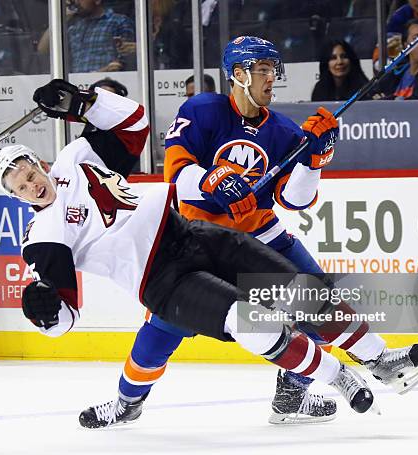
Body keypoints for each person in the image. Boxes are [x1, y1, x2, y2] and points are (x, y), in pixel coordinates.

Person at [0, 78, 418, 428]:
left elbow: (133, 122)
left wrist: (82, 103)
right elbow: (65, 316)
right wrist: (46, 314)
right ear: (16, 197)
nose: (31, 184)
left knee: (303, 292)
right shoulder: (43, 237)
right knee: (242, 324)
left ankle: (379, 360)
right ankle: (334, 376)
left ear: (39, 162)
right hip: (164, 281)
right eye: (18, 186)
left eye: (29, 171)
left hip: (191, 234)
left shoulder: (76, 157)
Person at [82, 36, 343, 428]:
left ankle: (292, 396)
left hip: (259, 234)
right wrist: (212, 182)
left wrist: (314, 161)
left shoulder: (286, 131)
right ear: (238, 75)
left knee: (321, 303)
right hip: (197, 239)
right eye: (263, 70)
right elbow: (176, 172)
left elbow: (295, 201)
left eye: (274, 69)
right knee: (164, 330)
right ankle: (126, 401)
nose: (272, 78)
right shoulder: (202, 110)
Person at [37, 0, 135, 73]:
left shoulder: (119, 22)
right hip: (78, 86)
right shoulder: (74, 27)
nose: (76, 2)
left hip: (106, 84)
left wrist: (96, 74)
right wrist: (60, 18)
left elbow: (125, 59)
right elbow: (43, 50)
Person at [370, 19, 418, 99]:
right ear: (405, 45)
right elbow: (371, 95)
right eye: (417, 38)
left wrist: (384, 100)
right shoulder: (397, 71)